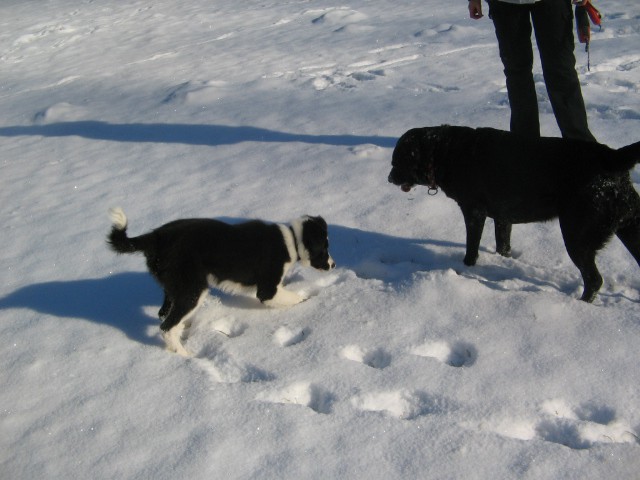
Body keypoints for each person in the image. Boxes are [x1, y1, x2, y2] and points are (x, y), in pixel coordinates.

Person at [468, 0, 597, 142]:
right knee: (517, 74)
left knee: (561, 70)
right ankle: (525, 149)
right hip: (505, 3)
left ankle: (581, 147)